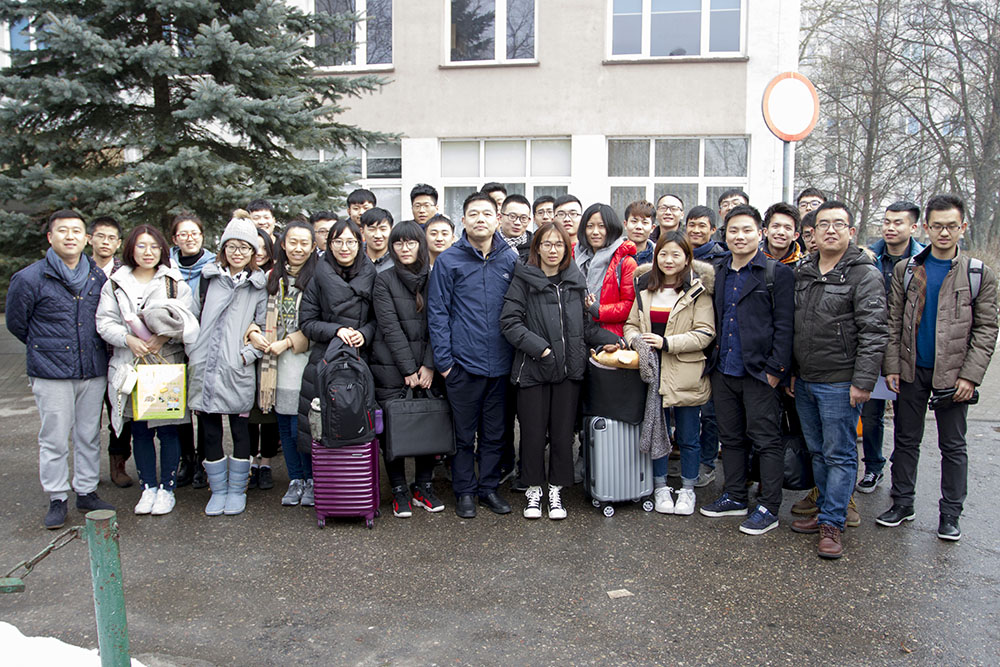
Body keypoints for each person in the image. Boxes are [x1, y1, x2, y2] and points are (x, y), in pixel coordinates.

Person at [878, 195, 998, 541]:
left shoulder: (978, 274)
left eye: (951, 226)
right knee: (905, 440)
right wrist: (892, 366)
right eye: (937, 226)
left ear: (962, 227)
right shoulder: (907, 270)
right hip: (911, 369)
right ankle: (902, 503)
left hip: (954, 375)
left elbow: (987, 329)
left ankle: (950, 514)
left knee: (953, 446)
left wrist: (970, 377)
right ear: (926, 228)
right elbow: (893, 322)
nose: (944, 233)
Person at [787, 201, 887, 559]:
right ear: (812, 232)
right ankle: (825, 508)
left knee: (840, 453)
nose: (830, 230)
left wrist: (863, 382)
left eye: (838, 224)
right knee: (817, 451)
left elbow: (874, 332)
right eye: (823, 224)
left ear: (851, 231)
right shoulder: (804, 271)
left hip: (841, 382)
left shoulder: (864, 274)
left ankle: (833, 522)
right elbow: (794, 326)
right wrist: (793, 371)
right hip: (805, 380)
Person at [501, 222, 620, 520]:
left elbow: (585, 328)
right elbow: (510, 323)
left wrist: (611, 340)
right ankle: (533, 490)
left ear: (567, 249)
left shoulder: (575, 282)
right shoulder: (523, 279)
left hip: (569, 371)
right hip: (534, 370)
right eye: (547, 244)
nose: (553, 250)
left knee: (563, 434)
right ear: (537, 248)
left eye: (559, 245)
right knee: (531, 434)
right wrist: (541, 349)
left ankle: (555, 490)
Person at [7, 210, 114, 529]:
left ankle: (86, 490)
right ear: (50, 237)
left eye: (76, 231)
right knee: (53, 437)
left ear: (86, 238)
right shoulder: (30, 278)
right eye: (63, 231)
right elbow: (17, 324)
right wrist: (47, 348)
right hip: (50, 372)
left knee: (88, 434)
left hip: (92, 369)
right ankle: (57, 496)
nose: (70, 236)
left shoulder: (96, 276)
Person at [699, 205, 794, 535]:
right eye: (733, 231)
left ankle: (769, 506)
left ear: (760, 233)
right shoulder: (719, 270)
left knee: (766, 440)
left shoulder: (776, 273)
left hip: (759, 373)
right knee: (731, 438)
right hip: (724, 369)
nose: (740, 236)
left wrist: (775, 370)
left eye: (747, 230)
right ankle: (735, 495)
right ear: (725, 234)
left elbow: (785, 326)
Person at [96, 225, 199, 516]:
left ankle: (167, 489)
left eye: (154, 246)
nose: (148, 252)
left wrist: (162, 337)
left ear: (163, 250)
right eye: (141, 246)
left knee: (167, 429)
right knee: (139, 430)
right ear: (130, 249)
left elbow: (189, 320)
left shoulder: (174, 282)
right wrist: (127, 339)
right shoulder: (115, 284)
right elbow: (104, 322)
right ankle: (148, 487)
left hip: (165, 365)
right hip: (131, 365)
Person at [428, 192, 517, 519]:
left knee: (495, 434)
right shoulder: (448, 261)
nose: (481, 219)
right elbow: (437, 313)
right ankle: (464, 491)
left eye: (487, 213)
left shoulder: (509, 260)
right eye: (473, 214)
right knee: (463, 436)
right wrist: (445, 364)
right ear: (463, 220)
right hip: (462, 366)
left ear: (497, 220)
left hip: (501, 365)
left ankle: (488, 488)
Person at [624, 231, 715, 516]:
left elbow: (705, 333)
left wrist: (667, 343)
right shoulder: (645, 288)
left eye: (676, 254)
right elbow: (630, 325)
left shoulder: (698, 291)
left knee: (688, 435)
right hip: (652, 373)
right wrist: (637, 341)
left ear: (687, 259)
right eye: (663, 254)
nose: (669, 260)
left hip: (686, 372)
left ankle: (687, 489)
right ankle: (660, 486)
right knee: (658, 433)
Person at [187, 212, 268, 516]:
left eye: (244, 247)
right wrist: (194, 351)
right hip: (205, 366)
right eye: (232, 246)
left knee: (240, 431)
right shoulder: (208, 279)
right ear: (223, 248)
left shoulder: (257, 285)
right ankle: (218, 490)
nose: (238, 253)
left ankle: (237, 489)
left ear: (253, 252)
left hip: (237, 368)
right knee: (209, 431)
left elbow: (264, 327)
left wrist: (246, 356)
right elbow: (191, 319)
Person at [371, 221, 446, 517]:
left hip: (428, 368)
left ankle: (423, 486)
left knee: (429, 423)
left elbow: (439, 323)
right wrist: (407, 368)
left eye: (411, 242)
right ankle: (399, 489)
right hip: (390, 367)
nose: (405, 248)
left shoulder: (435, 277)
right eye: (399, 243)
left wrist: (429, 364)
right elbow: (389, 327)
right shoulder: (384, 280)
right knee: (392, 429)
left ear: (421, 245)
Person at [296, 219, 377, 465]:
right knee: (323, 423)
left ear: (360, 244)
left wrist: (364, 333)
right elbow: (307, 322)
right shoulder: (318, 277)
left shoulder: (372, 275)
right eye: (338, 241)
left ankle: (358, 476)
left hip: (361, 358)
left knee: (359, 423)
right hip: (326, 357)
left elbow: (379, 319)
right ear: (329, 245)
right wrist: (337, 330)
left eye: (351, 242)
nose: (345, 247)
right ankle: (323, 478)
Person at [857, 201, 923, 493]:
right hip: (873, 346)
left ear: (913, 227)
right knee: (871, 415)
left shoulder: (922, 260)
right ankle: (873, 466)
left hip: (909, 348)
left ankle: (903, 471)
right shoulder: (869, 257)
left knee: (907, 417)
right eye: (887, 222)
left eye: (898, 222)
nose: (890, 228)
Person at [259, 220, 317, 507]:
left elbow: (321, 322)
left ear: (313, 247)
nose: (298, 248)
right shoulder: (271, 277)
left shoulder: (319, 277)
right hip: (274, 362)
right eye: (292, 242)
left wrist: (288, 342)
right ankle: (296, 479)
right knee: (284, 424)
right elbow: (256, 312)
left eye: (304, 243)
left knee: (301, 428)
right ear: (282, 244)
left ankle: (312, 479)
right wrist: (253, 332)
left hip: (304, 360)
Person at [169, 212, 216, 488]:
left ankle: (203, 460)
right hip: (172, 344)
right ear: (175, 239)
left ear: (202, 236)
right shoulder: (166, 267)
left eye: (195, 233)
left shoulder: (213, 266)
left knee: (204, 405)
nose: (190, 238)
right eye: (183, 234)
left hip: (204, 343)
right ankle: (185, 458)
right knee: (177, 405)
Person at [87, 216, 133, 487]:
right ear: (89, 239)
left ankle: (118, 463)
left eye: (111, 238)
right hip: (88, 354)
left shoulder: (124, 272)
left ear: (118, 243)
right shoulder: (80, 270)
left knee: (121, 412)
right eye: (100, 236)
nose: (105, 242)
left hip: (120, 352)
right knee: (88, 417)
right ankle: (87, 470)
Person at [246, 228, 279, 490]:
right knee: (247, 412)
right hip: (247, 350)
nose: (259, 253)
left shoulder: (275, 276)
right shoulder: (242, 276)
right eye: (253, 247)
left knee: (268, 414)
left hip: (272, 349)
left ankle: (265, 462)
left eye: (263, 247)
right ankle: (248, 462)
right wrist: (251, 332)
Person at [575, 203, 637, 336]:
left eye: (601, 226)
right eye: (590, 226)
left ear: (611, 228)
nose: (595, 232)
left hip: (611, 337)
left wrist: (598, 310)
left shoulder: (625, 263)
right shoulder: (575, 258)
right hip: (580, 334)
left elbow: (630, 306)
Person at [499, 194, 533, 260]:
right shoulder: (489, 245)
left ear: (529, 221)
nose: (517, 223)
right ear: (500, 217)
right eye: (512, 216)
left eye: (523, 218)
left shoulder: (536, 247)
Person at [360, 207, 395, 273]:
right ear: (362, 232)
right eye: (372, 229)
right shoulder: (354, 256)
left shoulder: (399, 257)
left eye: (383, 229)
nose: (378, 235)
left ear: (391, 231)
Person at [624, 200, 655, 266]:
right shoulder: (612, 253)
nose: (639, 227)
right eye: (634, 221)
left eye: (645, 222)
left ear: (652, 228)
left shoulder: (659, 255)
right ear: (625, 224)